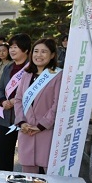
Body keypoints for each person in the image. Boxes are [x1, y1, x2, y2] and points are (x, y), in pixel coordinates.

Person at [14, 38, 62, 173]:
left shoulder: (58, 75)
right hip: (26, 130)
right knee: (28, 176)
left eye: (44, 52)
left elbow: (57, 104)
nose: (38, 55)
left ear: (52, 55)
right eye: (36, 51)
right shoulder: (26, 75)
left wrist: (41, 125)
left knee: (51, 175)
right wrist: (22, 122)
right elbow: (18, 100)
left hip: (46, 131)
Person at [0, 33, 32, 171]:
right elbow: (0, 88)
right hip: (6, 118)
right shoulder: (8, 68)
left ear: (26, 50)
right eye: (12, 47)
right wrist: (3, 101)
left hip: (25, 119)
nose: (12, 50)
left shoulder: (32, 68)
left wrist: (17, 100)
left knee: (29, 156)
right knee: (2, 153)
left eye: (16, 47)